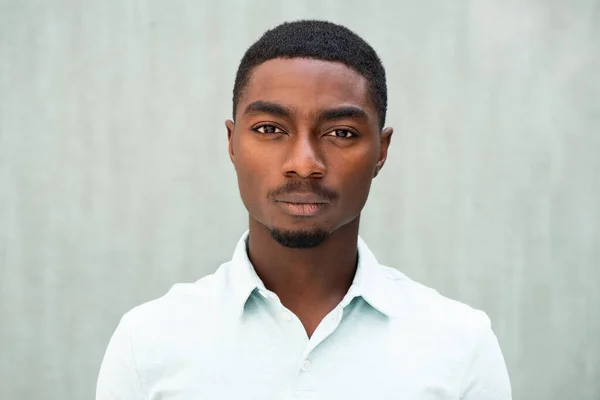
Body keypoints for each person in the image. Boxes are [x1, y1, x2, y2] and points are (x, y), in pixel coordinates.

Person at [96, 20, 512, 399]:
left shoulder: (461, 345)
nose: (304, 163)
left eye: (341, 132)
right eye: (269, 129)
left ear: (381, 152)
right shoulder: (147, 343)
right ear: (232, 142)